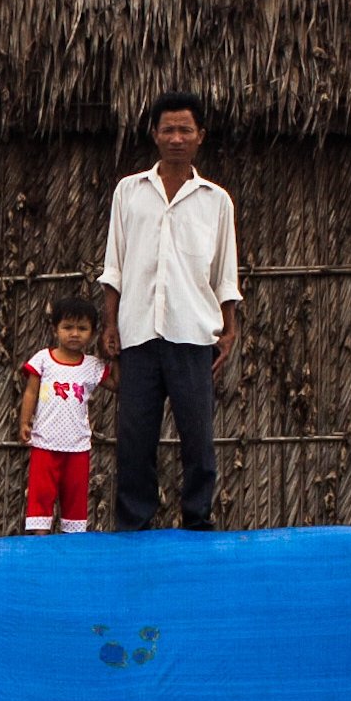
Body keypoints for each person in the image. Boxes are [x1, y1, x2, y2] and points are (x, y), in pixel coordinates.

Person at [93, 93, 240, 531]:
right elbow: (115, 265)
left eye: (186, 130)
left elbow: (224, 273)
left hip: (193, 333)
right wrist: (110, 322)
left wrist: (228, 330)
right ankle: (134, 526)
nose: (177, 138)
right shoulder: (129, 191)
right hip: (138, 332)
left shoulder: (216, 201)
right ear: (154, 134)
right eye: (168, 129)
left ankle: (198, 521)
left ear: (200, 137)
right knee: (135, 437)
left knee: (198, 438)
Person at [9, 304, 108, 533]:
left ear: (92, 334)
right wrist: (24, 422)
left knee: (75, 498)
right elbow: (31, 392)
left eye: (82, 328)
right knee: (40, 496)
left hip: (78, 446)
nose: (74, 333)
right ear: (55, 330)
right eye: (68, 327)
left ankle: (72, 547)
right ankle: (40, 543)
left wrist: (117, 355)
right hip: (45, 442)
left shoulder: (93, 366)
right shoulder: (43, 360)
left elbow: (116, 384)